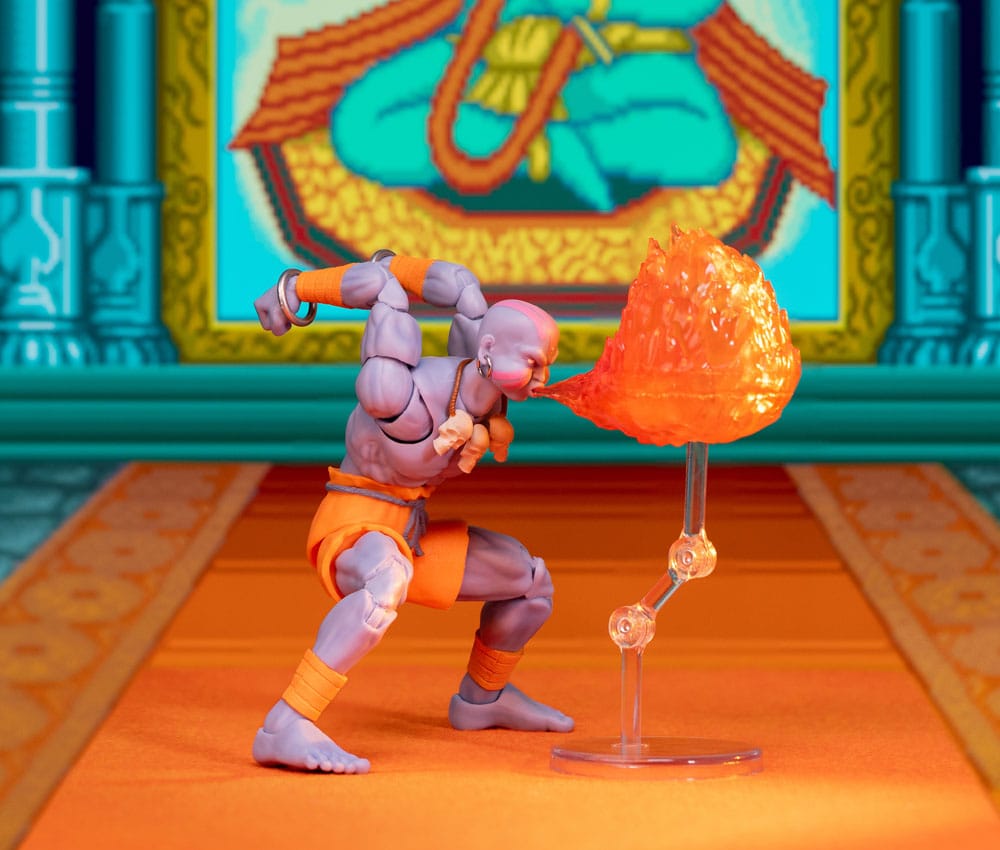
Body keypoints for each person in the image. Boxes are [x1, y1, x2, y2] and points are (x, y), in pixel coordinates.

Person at [251, 251, 572, 773]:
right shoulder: (400, 391)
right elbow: (380, 286)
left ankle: (482, 699)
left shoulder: (486, 390)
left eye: (546, 364)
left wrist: (395, 261)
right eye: (533, 362)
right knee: (386, 583)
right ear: (490, 349)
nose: (542, 377)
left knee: (530, 582)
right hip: (352, 527)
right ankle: (285, 723)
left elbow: (455, 281)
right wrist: (293, 291)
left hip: (409, 531)